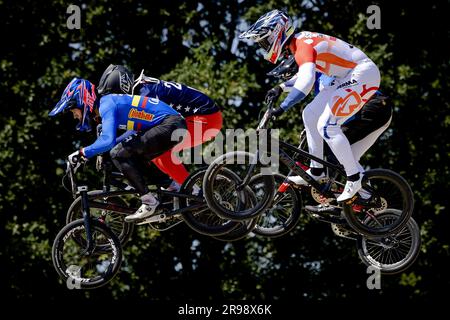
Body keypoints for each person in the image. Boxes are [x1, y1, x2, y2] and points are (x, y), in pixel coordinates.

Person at [240, 9, 383, 202]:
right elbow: (307, 74)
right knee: (310, 114)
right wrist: (281, 88)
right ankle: (316, 171)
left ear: (277, 33)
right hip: (346, 76)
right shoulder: (299, 43)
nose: (265, 47)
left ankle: (354, 177)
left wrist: (282, 108)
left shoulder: (302, 45)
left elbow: (307, 82)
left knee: (327, 125)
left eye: (265, 42)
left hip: (362, 74)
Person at [49, 77, 187, 222]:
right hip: (171, 124)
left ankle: (149, 202)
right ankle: (172, 186)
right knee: (128, 155)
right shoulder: (106, 104)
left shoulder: (106, 105)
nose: (75, 115)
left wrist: (82, 153)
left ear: (82, 101)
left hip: (170, 124)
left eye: (73, 110)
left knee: (119, 154)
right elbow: (110, 138)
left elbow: (108, 141)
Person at [97, 64, 223, 191]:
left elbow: (138, 131)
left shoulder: (145, 93)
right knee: (154, 150)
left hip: (206, 118)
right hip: (200, 116)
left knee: (156, 143)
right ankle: (183, 187)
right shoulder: (141, 89)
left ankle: (191, 191)